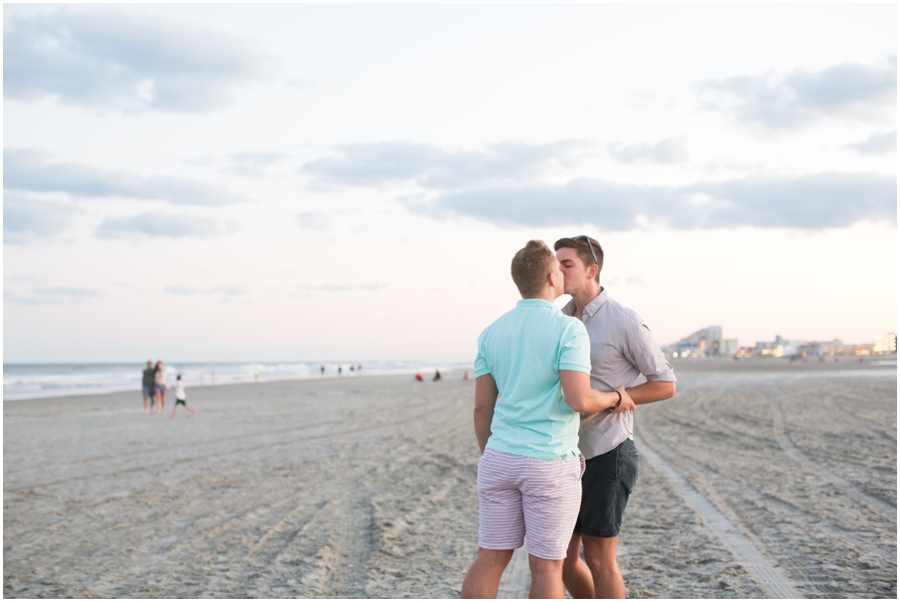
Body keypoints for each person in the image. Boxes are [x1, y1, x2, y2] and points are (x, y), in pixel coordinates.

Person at [461, 240, 634, 599]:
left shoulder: (491, 332)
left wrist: (490, 453)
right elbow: (579, 398)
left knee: (490, 558)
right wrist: (617, 397)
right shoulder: (568, 329)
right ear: (553, 277)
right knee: (547, 567)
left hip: (499, 458)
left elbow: (482, 409)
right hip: (548, 462)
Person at [554, 236, 676, 600]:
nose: (557, 270)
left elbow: (665, 384)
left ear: (592, 270)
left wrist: (610, 399)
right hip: (562, 454)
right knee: (559, 558)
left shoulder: (623, 319)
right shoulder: (558, 321)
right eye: (555, 263)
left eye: (567, 264)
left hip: (609, 452)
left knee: (598, 556)